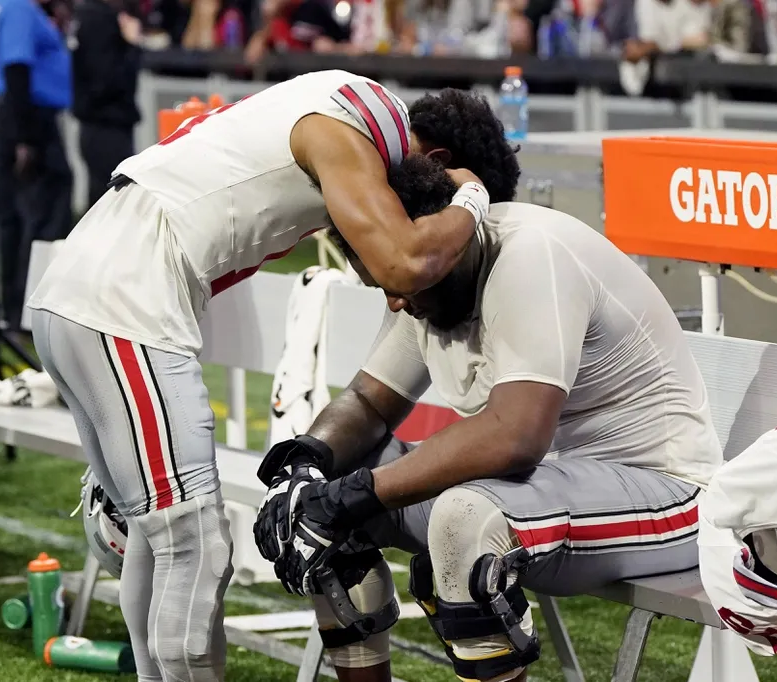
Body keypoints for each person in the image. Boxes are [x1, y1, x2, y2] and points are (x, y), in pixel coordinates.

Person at [25, 73, 518, 682]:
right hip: (125, 300)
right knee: (194, 546)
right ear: (439, 163)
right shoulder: (361, 124)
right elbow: (405, 261)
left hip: (83, 288)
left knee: (157, 542)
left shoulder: (339, 101)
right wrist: (470, 200)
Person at [254, 155, 724, 682]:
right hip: (542, 492)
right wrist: (304, 467)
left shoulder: (528, 255)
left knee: (464, 522)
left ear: (441, 247)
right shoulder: (424, 275)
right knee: (321, 490)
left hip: (665, 493)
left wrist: (356, 495)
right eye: (382, 280)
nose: (396, 298)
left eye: (402, 279)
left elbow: (515, 436)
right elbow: (367, 401)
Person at [0, 0, 73, 330]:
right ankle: (27, 312)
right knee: (42, 216)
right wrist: (23, 136)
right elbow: (16, 69)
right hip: (29, 119)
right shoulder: (19, 8)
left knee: (22, 216)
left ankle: (18, 311)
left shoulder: (18, 8)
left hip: (24, 116)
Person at [72, 0, 142, 209]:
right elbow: (108, 81)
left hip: (96, 124)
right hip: (107, 124)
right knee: (113, 204)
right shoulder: (99, 19)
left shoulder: (87, 15)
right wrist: (132, 46)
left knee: (102, 199)